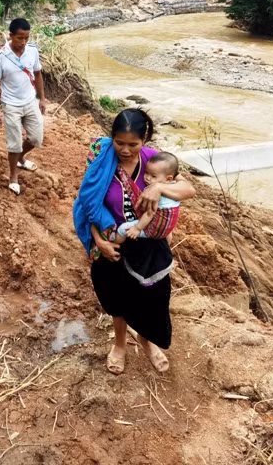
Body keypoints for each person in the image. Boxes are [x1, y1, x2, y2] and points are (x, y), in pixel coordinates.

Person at [73, 109, 196, 375]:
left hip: (148, 244)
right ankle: (120, 344)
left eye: (133, 144)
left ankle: (146, 340)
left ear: (145, 139)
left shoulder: (156, 161)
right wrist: (99, 240)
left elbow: (188, 189)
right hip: (113, 240)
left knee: (152, 297)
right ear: (112, 138)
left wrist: (159, 187)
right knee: (116, 297)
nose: (125, 150)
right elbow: (89, 202)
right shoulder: (100, 155)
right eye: (119, 142)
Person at [0, 18, 47, 195]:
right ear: (11, 35)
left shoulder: (32, 50)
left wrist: (42, 98)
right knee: (14, 144)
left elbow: (37, 74)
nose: (23, 42)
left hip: (30, 101)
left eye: (26, 38)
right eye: (19, 38)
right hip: (11, 105)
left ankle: (21, 157)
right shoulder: (1, 55)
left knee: (36, 139)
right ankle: (13, 175)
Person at [114, 151, 183, 245]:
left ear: (169, 179)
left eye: (153, 176)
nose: (147, 178)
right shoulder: (174, 188)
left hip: (153, 230)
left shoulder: (155, 194)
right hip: (167, 229)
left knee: (122, 229)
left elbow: (149, 213)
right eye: (146, 173)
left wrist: (137, 228)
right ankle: (167, 246)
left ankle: (115, 246)